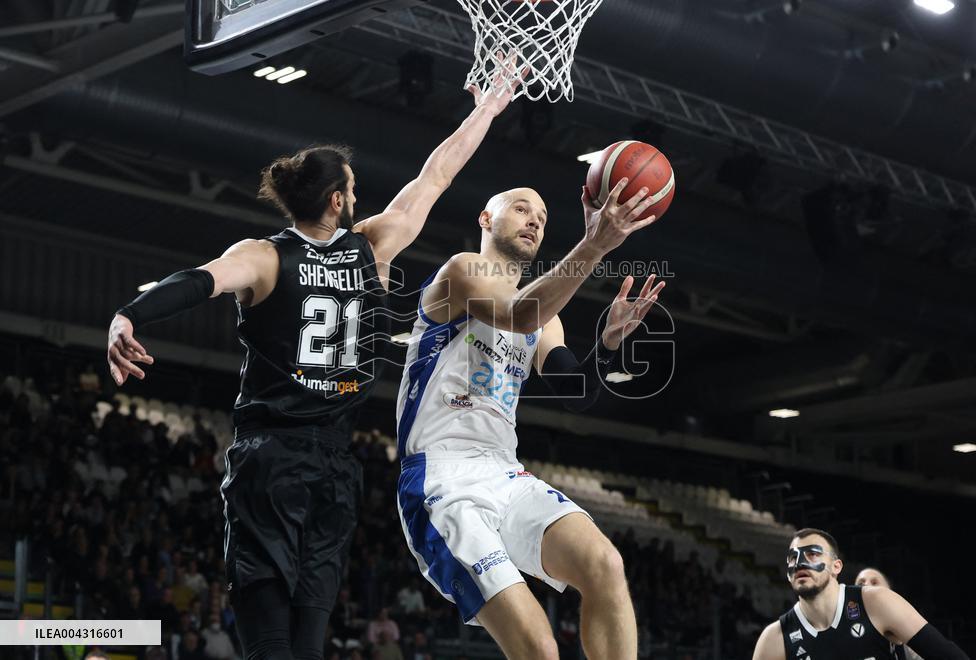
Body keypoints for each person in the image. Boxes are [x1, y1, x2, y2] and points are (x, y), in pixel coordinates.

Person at [106, 70, 521, 660]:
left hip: (270, 460)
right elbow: (437, 175)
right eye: (352, 189)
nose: (358, 197)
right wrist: (485, 110)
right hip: (332, 468)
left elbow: (198, 281)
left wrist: (129, 315)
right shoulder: (373, 246)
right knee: (306, 646)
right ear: (336, 200)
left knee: (269, 641)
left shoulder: (263, 258)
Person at [395, 179, 666, 659]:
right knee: (540, 648)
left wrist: (606, 344)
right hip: (442, 478)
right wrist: (594, 246)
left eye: (541, 218)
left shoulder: (547, 319)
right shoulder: (461, 271)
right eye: (522, 209)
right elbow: (519, 315)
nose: (534, 221)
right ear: (486, 219)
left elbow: (577, 393)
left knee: (604, 563)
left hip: (505, 471)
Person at [752, 528, 969, 660]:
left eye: (812, 554)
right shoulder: (774, 639)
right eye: (793, 557)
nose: (800, 563)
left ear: (836, 566)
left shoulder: (876, 602)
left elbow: (947, 655)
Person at [856, 567, 925, 660]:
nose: (866, 585)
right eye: (860, 584)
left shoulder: (908, 637)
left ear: (890, 593)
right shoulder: (843, 634)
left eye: (874, 583)